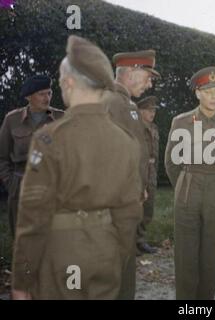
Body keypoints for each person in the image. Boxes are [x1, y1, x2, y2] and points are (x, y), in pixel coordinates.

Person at [11, 35, 142, 300]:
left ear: (69, 82)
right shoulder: (127, 142)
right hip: (106, 251)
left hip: (62, 255)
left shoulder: (49, 139)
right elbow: (130, 212)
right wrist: (117, 254)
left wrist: (23, 279)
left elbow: (33, 218)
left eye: (60, 80)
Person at [164, 66, 215, 300]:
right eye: (208, 91)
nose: (214, 96)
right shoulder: (182, 122)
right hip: (189, 188)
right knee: (186, 256)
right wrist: (185, 184)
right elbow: (171, 162)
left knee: (210, 256)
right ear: (198, 94)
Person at [105, 49, 160, 299]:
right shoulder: (117, 104)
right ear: (131, 72)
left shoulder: (121, 103)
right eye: (148, 76)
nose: (150, 83)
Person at [0, 75, 64, 237]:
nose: (47, 98)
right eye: (41, 94)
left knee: (52, 238)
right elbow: (2, 156)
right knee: (22, 238)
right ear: (29, 97)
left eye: (49, 93)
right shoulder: (12, 120)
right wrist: (11, 183)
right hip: (20, 185)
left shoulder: (61, 118)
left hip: (52, 186)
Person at [136, 96, 160, 254]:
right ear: (140, 111)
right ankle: (130, 243)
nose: (152, 113)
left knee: (148, 208)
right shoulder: (136, 128)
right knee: (136, 207)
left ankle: (140, 240)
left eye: (154, 111)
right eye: (149, 110)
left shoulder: (154, 128)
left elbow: (156, 154)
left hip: (151, 171)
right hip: (139, 169)